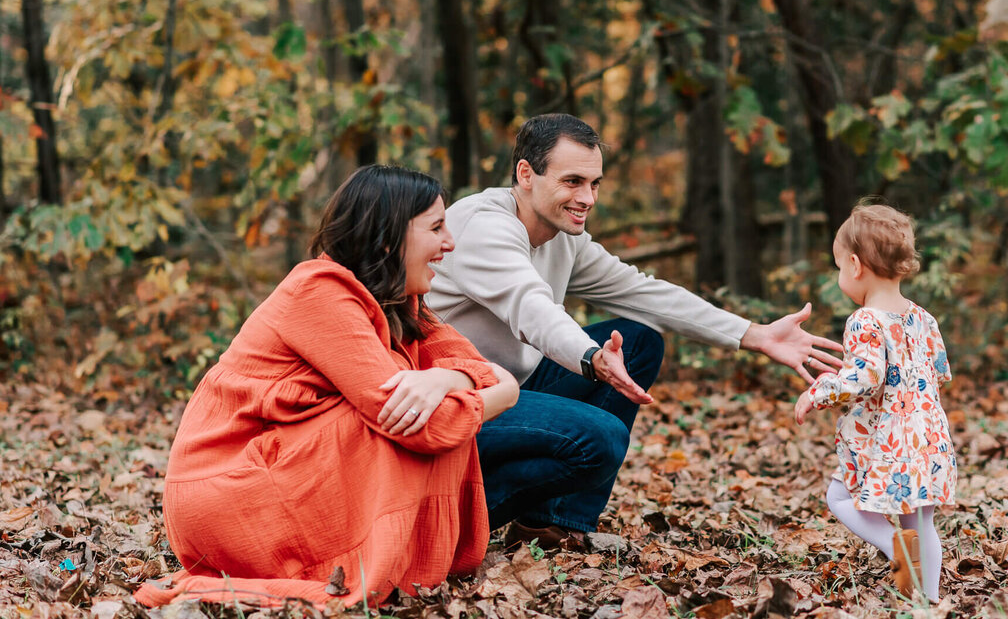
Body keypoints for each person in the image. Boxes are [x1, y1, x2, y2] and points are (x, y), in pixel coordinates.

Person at [427, 113, 844, 549]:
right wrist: (591, 359)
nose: (587, 198)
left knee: (640, 338)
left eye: (595, 183)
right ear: (526, 174)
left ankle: (549, 524)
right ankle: (454, 524)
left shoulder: (561, 233)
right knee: (600, 440)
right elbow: (533, 310)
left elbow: (641, 292)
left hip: (518, 386)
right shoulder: (482, 226)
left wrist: (753, 334)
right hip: (463, 403)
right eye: (572, 181)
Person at [134, 166, 519, 608]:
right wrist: (491, 391)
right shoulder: (319, 292)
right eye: (436, 228)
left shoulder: (399, 301)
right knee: (399, 423)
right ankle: (347, 567)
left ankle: (391, 560)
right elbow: (431, 422)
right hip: (224, 493)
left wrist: (444, 377)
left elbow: (480, 367)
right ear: (389, 238)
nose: (449, 243)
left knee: (412, 410)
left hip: (272, 472)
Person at [793, 202, 956, 601]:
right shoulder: (924, 318)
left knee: (839, 497)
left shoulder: (865, 320)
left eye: (837, 267)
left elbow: (863, 379)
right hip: (926, 437)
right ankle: (928, 602)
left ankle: (892, 543)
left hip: (884, 437)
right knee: (921, 523)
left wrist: (819, 390)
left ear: (854, 264)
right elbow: (939, 373)